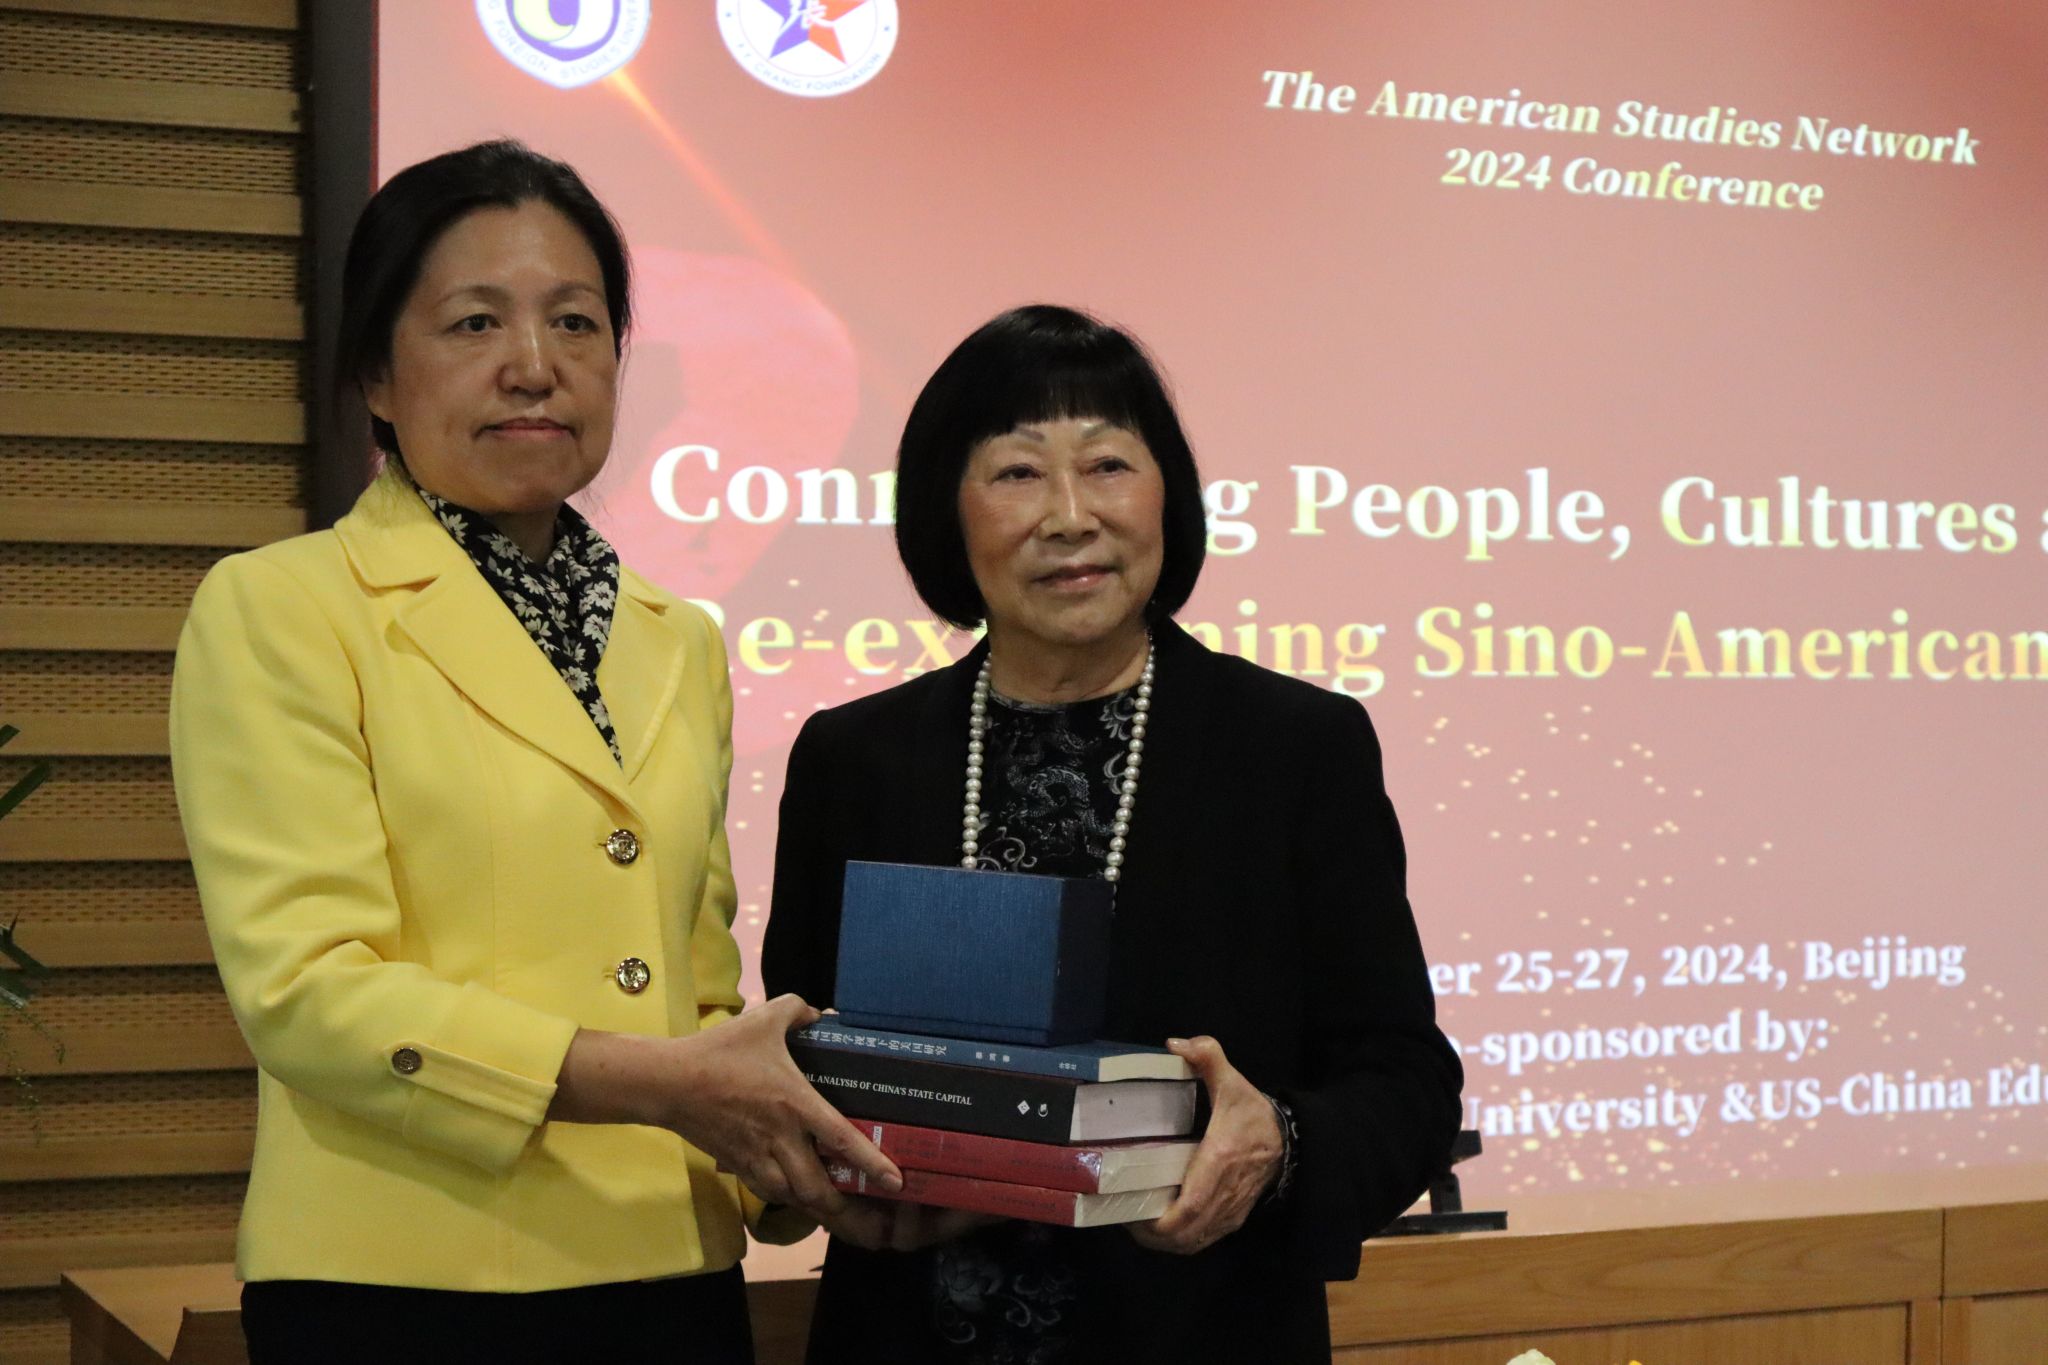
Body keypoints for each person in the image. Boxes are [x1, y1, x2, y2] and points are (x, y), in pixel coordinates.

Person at [168, 140, 897, 1365]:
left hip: (670, 1275)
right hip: (407, 1288)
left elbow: (692, 980)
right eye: (473, 323)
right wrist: (666, 1087)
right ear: (377, 375)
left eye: (575, 322)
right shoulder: (283, 607)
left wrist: (784, 1164)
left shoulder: (674, 638)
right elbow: (306, 992)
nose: (533, 365)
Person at [762, 304, 1465, 1363]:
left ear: (1166, 496)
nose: (1068, 515)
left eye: (1105, 466)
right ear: (944, 511)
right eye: (1016, 472)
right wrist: (829, 1174)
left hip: (1203, 1329)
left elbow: (1405, 1080)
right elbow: (805, 1054)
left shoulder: (1293, 747)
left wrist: (1276, 1146)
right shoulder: (854, 758)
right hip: (911, 1329)